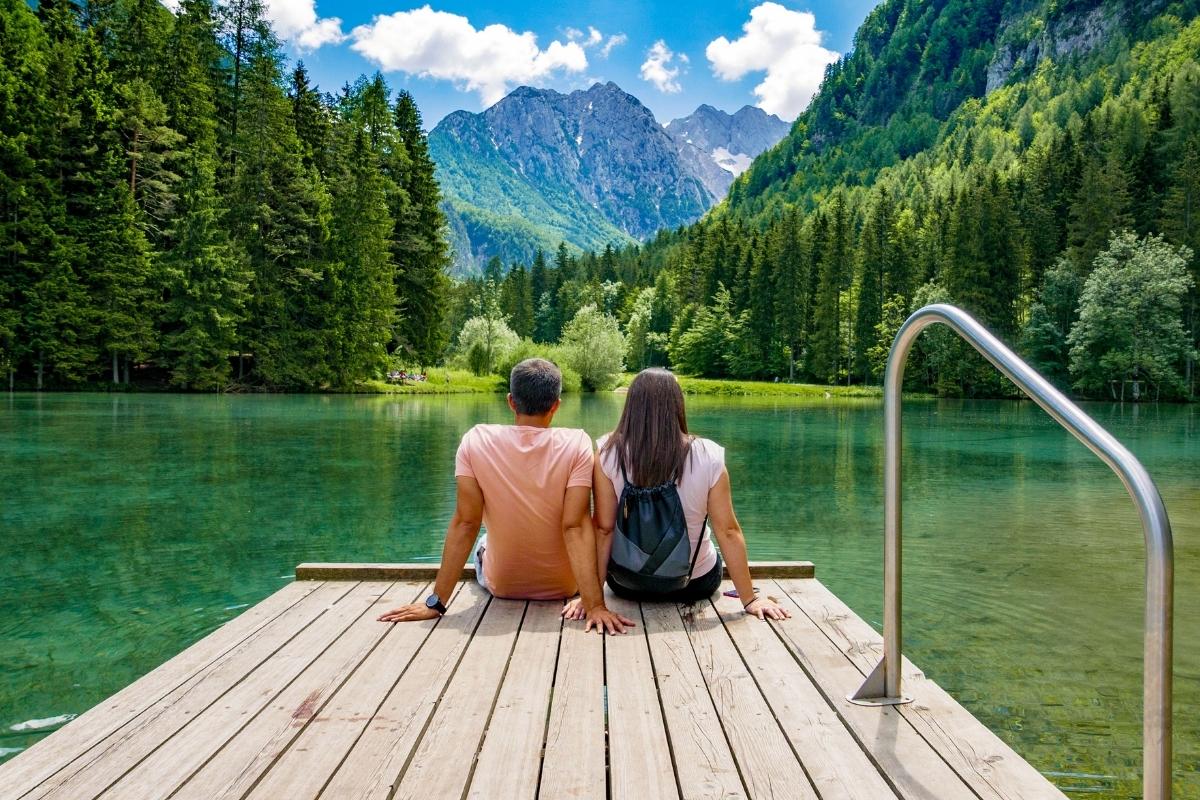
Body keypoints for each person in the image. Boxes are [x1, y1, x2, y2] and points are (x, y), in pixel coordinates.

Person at [379, 358, 633, 634]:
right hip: (566, 585)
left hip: (502, 585)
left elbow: (466, 522)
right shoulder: (577, 444)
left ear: (511, 401)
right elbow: (575, 525)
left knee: (483, 540)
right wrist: (595, 605)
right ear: (556, 404)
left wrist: (435, 603)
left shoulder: (475, 441)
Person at [564, 368, 790, 620]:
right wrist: (750, 599)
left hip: (627, 584)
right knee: (710, 545)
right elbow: (728, 531)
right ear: (677, 405)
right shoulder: (708, 455)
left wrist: (591, 598)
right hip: (694, 584)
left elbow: (603, 530)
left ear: (632, 406)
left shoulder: (608, 453)